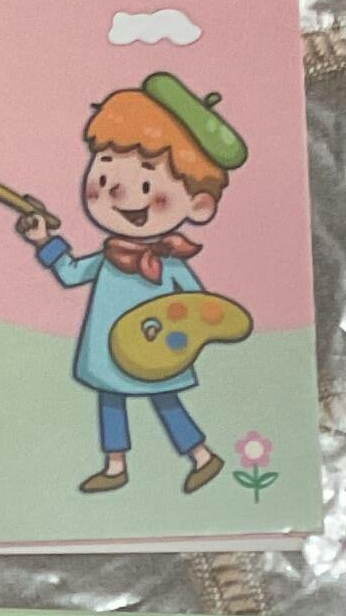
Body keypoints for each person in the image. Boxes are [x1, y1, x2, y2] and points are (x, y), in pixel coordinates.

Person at [17, 69, 242, 496]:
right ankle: (115, 465)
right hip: (107, 351)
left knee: (165, 400)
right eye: (103, 178)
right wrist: (45, 241)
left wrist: (189, 336)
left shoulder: (169, 264)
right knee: (110, 402)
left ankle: (201, 456)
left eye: (144, 182)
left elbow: (199, 308)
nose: (119, 193)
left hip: (159, 352)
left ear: (198, 204)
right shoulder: (108, 258)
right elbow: (69, 273)